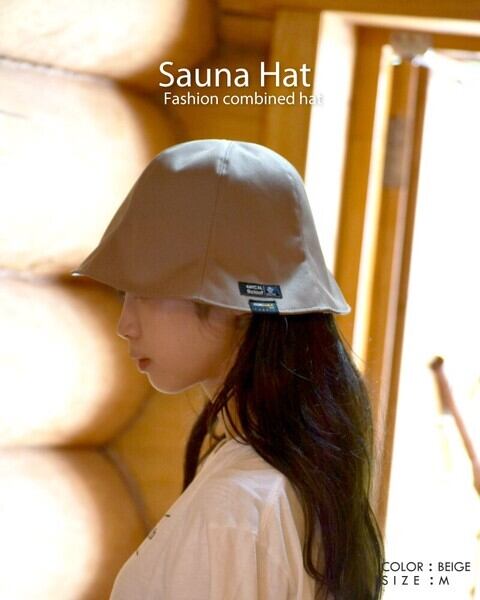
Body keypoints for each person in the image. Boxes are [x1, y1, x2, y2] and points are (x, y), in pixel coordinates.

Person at [71, 139, 385, 599]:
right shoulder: (278, 477)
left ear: (235, 302)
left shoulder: (236, 508)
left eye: (146, 290)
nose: (125, 324)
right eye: (124, 294)